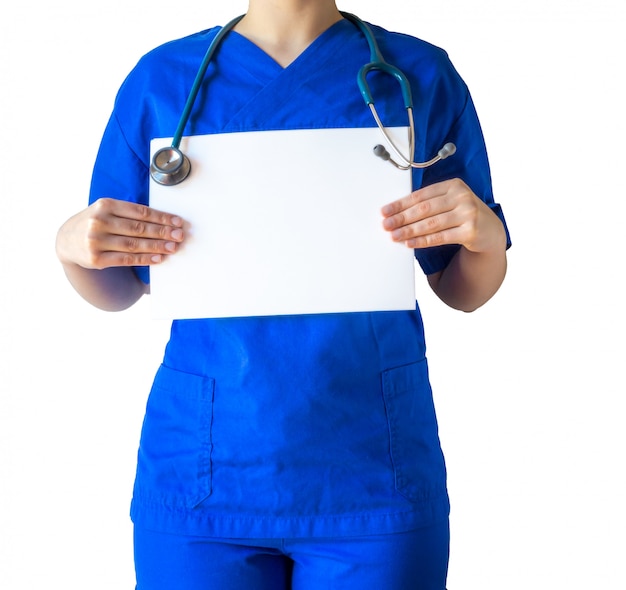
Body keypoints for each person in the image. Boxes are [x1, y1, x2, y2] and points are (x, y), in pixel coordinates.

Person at [55, 1, 510, 588]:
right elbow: (118, 288)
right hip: (204, 475)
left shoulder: (419, 74)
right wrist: (71, 247)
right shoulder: (162, 78)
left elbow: (462, 290)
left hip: (373, 473)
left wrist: (488, 237)